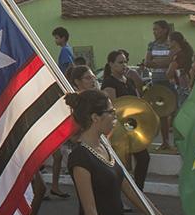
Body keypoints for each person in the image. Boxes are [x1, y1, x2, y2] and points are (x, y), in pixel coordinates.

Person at [100, 51, 150, 190]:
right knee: (121, 163)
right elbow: (114, 105)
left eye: (125, 62)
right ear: (111, 64)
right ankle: (121, 194)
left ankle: (139, 191)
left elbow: (137, 101)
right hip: (119, 127)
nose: (124, 65)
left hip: (133, 125)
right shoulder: (109, 82)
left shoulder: (129, 81)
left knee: (143, 158)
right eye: (120, 62)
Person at [50, 64, 100, 197]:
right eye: (87, 78)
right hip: (77, 148)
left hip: (95, 145)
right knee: (87, 190)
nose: (92, 80)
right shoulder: (72, 101)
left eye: (93, 77)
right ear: (77, 82)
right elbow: (70, 131)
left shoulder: (96, 97)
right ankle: (55, 186)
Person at [144, 21, 174, 150]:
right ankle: (165, 142)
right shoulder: (152, 45)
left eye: (156, 29)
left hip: (169, 81)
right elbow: (147, 62)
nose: (154, 32)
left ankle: (177, 142)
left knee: (173, 110)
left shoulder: (171, 45)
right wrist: (162, 63)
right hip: (156, 82)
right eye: (153, 29)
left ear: (164, 30)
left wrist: (156, 62)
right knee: (162, 113)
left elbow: (171, 61)